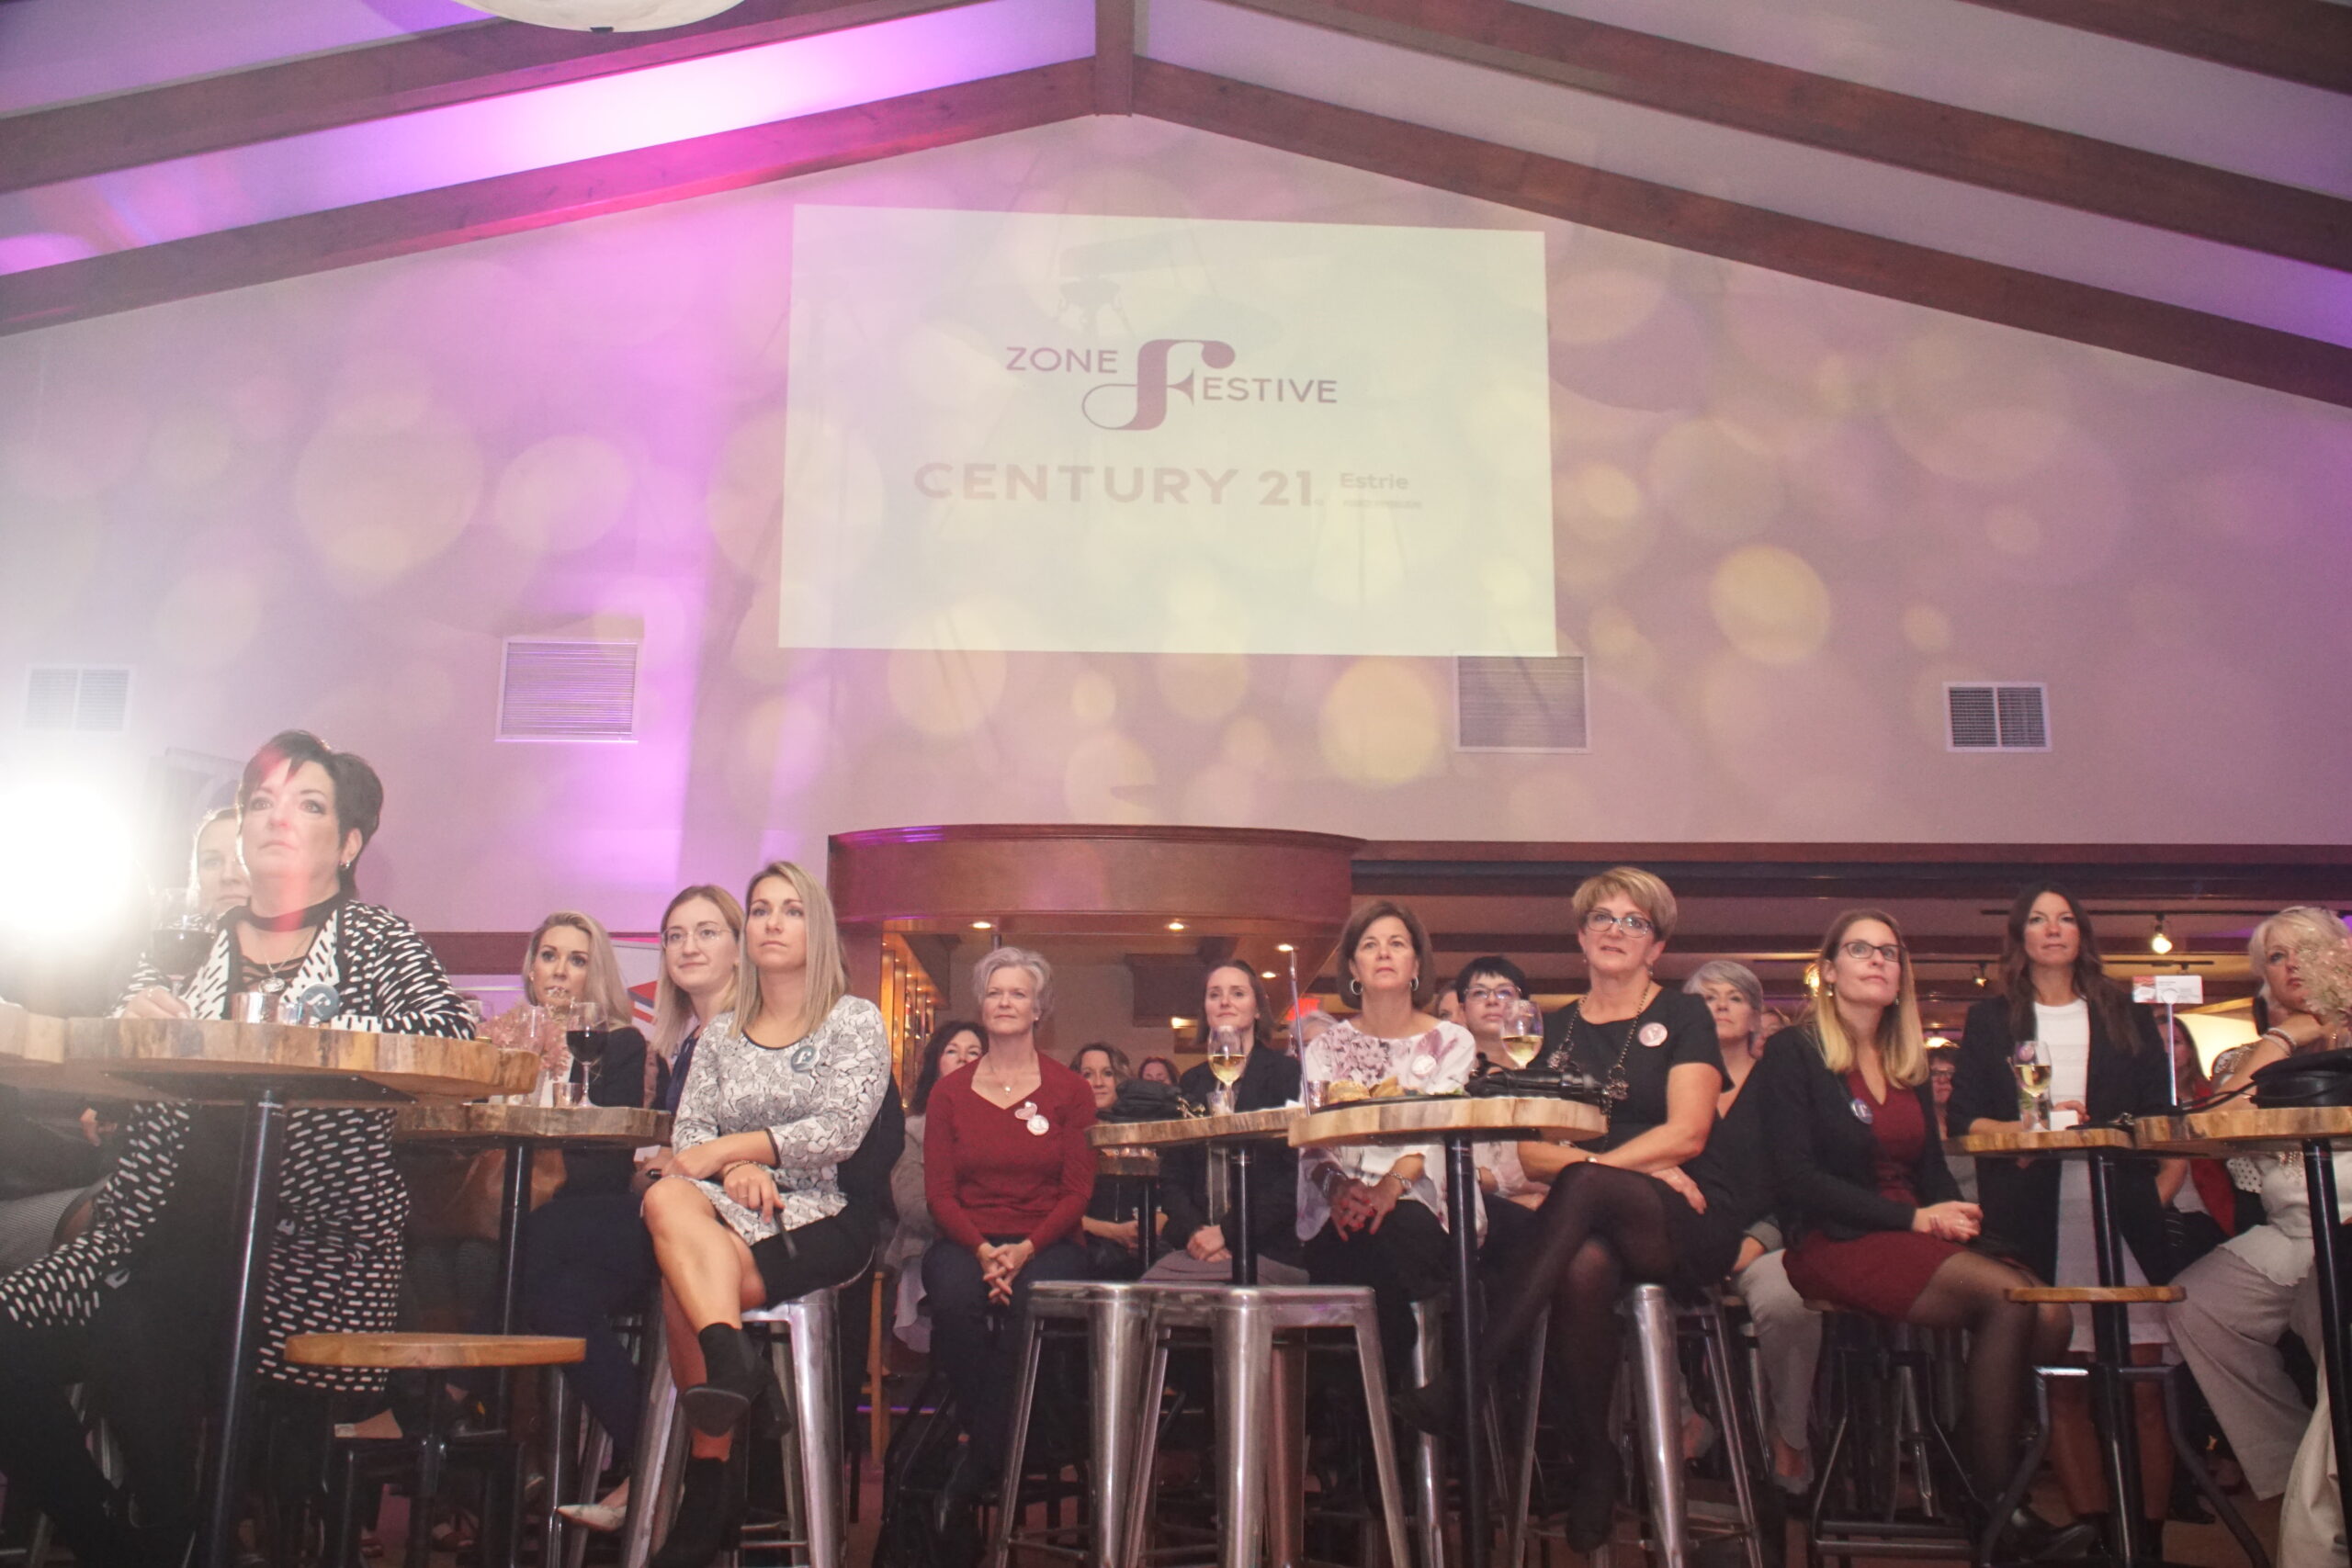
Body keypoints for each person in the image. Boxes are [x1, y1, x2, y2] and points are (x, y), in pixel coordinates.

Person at [0, 729, 469, 1565]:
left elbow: (451, 1037)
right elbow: (120, 1073)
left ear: (347, 843)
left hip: (306, 1257)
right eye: (262, 802)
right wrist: (134, 1025)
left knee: (139, 1317)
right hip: (144, 1233)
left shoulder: (374, 938)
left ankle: (175, 1531)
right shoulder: (190, 943)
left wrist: (312, 1029)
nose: (278, 816)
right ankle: (117, 1535)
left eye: (308, 803)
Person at [1395, 869, 1741, 1551]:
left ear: (1656, 946)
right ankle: (1595, 1459)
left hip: (1684, 1213)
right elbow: (1531, 1154)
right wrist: (1622, 1166)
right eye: (1602, 918)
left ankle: (1471, 1376)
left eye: (1634, 922)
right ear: (1581, 937)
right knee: (1582, 1263)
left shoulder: (1683, 1016)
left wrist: (1598, 1168)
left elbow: (1688, 1134)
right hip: (1591, 1221)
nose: (1616, 931)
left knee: (1582, 1184)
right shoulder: (1550, 1029)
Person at [1753, 910, 2086, 1561]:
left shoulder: (1905, 1059)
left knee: (2051, 1314)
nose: (1879, 961)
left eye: (1890, 952)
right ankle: (1998, 1510)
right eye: (1861, 950)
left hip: (1913, 1230)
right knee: (2006, 1300)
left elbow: (1931, 1171)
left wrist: (1957, 1217)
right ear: (1829, 971)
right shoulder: (1796, 1052)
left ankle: (1969, 1464)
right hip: (1837, 1238)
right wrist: (1916, 1220)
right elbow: (1795, 1178)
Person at [638, 862, 894, 1568]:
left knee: (682, 1280)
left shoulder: (853, 1019)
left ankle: (709, 1485)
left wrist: (738, 1149)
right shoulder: (721, 1034)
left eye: (791, 909)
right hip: (725, 1199)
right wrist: (732, 1168)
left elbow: (839, 1130)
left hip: (822, 1207)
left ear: (819, 928)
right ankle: (730, 1360)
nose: (773, 922)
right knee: (664, 1197)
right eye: (760, 909)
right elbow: (691, 1137)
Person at [1946, 884, 2177, 1532]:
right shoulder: (1993, 1019)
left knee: (2143, 1383)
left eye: (2066, 918)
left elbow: (2159, 1116)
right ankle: (2095, 1533)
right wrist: (2024, 1130)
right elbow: (1965, 1119)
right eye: (2039, 919)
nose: (2053, 929)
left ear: (2082, 933)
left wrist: (2104, 1132)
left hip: (2120, 1207)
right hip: (2033, 1211)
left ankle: (2147, 1539)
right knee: (2065, 1385)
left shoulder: (2123, 1011)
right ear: (2019, 935)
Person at [545, 886, 742, 1537]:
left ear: (738, 949)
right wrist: (656, 1168)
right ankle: (653, 1460)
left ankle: (449, 1413)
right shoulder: (688, 1039)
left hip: (716, 1230)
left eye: (706, 932)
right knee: (553, 1296)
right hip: (668, 1213)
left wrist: (670, 1167)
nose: (688, 946)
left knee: (532, 1236)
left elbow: (733, 1145)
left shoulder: (744, 1034)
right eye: (675, 935)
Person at [2168, 907, 2352, 1503]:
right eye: (2277, 956)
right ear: (2264, 978)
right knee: (2195, 1306)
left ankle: (2334, 1484)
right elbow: (2215, 1120)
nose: (2293, 964)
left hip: (2348, 1227)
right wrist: (2287, 1034)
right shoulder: (2251, 1056)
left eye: (2308, 949)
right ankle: (2294, 1469)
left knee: (2332, 1315)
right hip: (2289, 1229)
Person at [922, 947, 1095, 1504]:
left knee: (1032, 1304)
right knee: (953, 1299)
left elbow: (1076, 1193)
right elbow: (939, 1195)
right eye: (995, 992)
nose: (1004, 1002)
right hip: (965, 1239)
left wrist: (1023, 1250)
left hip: (1047, 1241)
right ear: (981, 1004)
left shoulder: (1071, 1090)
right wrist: (982, 1252)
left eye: (1018, 993)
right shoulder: (948, 1093)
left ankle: (976, 1462)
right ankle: (1011, 1446)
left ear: (1038, 1008)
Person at [1690, 957, 1820, 1495]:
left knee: (1786, 1300)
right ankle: (1686, 1418)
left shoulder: (1781, 1082)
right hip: (1687, 1239)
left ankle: (1790, 1434)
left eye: (1735, 997)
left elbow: (1804, 1178)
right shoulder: (1672, 1082)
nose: (1720, 1006)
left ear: (1755, 1015)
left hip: (1768, 1240)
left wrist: (1757, 1241)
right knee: (1618, 1290)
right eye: (1707, 998)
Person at [1148, 962, 1305, 1283]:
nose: (1224, 1002)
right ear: (1205, 1010)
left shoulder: (1287, 1075)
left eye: (1238, 993)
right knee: (1148, 1293)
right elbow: (1173, 1175)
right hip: (1196, 1245)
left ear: (1258, 1009)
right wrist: (1197, 1232)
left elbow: (1295, 1176)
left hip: (1268, 1245)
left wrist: (1227, 1232)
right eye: (1214, 994)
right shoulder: (1191, 1082)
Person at [881, 1020, 984, 1352]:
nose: (963, 1059)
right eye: (952, 1051)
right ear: (936, 1063)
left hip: (1003, 1241)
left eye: (973, 1052)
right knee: (957, 1279)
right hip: (930, 1241)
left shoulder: (1007, 1125)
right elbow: (912, 1206)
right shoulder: (912, 1130)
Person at [1074, 1043, 1148, 1276]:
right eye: (1088, 1074)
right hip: (1083, 1246)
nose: (1098, 1082)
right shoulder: (1064, 1137)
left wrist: (1144, 1231)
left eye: (1107, 1073)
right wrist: (1115, 1232)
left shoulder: (1144, 1133)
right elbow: (1053, 1210)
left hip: (1143, 1246)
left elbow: (1168, 1201)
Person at [1927, 1048, 1978, 1203]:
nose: (1943, 1079)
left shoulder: (1977, 1123)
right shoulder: (1918, 1126)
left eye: (1951, 1072)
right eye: (1935, 1073)